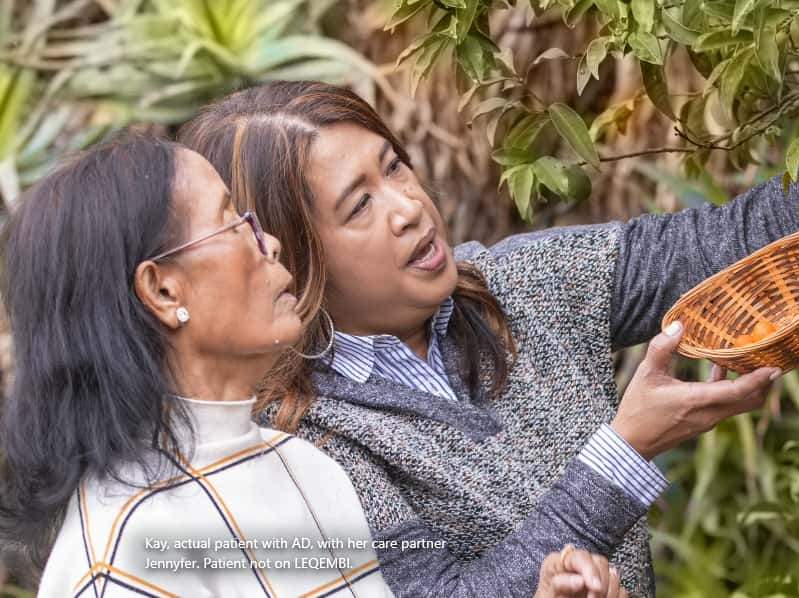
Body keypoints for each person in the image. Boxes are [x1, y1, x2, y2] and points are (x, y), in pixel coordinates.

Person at [177, 80, 799, 596]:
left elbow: (732, 237)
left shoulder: (523, 287)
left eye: (395, 167)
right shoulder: (302, 442)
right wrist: (623, 453)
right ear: (293, 254)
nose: (407, 208)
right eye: (358, 206)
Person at [1, 135, 625, 598]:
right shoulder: (127, 561)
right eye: (232, 223)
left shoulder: (306, 470)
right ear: (164, 292)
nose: (269, 242)